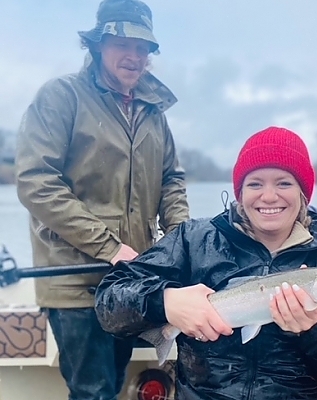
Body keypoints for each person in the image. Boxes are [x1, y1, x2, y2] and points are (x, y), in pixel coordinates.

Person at [95, 126, 317, 400]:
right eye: (255, 183)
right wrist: (165, 302)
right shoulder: (193, 241)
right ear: (240, 192)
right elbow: (109, 301)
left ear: (303, 191)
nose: (269, 196)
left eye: (284, 182)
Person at [15, 0, 189, 399]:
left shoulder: (154, 113)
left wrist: (180, 242)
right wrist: (109, 247)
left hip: (131, 282)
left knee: (115, 381)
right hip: (73, 281)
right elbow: (35, 181)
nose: (134, 56)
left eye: (143, 48)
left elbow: (171, 181)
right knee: (93, 391)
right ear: (96, 46)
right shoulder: (60, 97)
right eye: (122, 44)